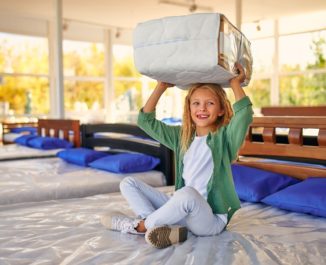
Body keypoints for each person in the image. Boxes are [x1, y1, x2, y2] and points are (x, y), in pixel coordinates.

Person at [101, 63, 253, 249]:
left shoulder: (225, 139)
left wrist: (235, 83)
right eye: (196, 103)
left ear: (221, 110)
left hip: (210, 219)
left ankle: (140, 226)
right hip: (182, 209)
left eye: (210, 103)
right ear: (189, 108)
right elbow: (145, 121)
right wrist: (161, 86)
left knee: (186, 194)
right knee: (128, 183)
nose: (202, 109)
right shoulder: (181, 137)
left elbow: (243, 115)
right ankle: (162, 228)